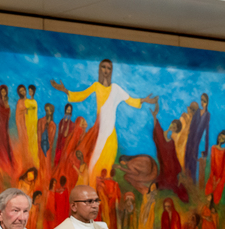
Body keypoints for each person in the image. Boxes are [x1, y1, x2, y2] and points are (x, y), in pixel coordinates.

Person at [51, 58, 157, 187]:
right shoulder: (97, 86)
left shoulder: (116, 89)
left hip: (110, 134)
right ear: (100, 69)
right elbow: (81, 95)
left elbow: (130, 100)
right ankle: (91, 189)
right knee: (93, 162)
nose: (106, 70)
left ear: (111, 71)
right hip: (99, 131)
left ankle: (104, 194)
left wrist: (144, 100)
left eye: (108, 68)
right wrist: (65, 90)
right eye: (103, 67)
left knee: (107, 164)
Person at [205, 130, 225, 205]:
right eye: (220, 136)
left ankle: (213, 207)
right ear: (218, 136)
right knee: (209, 190)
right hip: (213, 175)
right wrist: (213, 176)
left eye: (223, 138)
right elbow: (212, 163)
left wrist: (220, 179)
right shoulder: (213, 148)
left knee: (217, 193)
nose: (220, 139)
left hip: (221, 176)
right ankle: (208, 207)